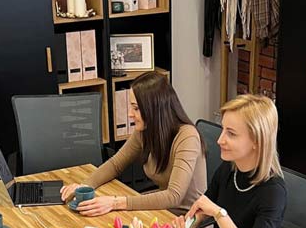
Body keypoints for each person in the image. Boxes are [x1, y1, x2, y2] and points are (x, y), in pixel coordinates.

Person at [60, 70, 206, 217]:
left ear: (154, 109)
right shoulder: (146, 130)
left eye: (136, 108)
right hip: (162, 211)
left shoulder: (187, 136)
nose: (130, 114)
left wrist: (115, 203)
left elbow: (174, 196)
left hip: (188, 220)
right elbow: (116, 164)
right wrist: (85, 186)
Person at [172, 94, 287, 228]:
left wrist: (219, 214)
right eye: (223, 129)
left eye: (231, 134)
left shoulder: (273, 191)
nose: (220, 140)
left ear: (257, 140)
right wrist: (187, 224)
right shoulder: (229, 169)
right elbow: (203, 208)